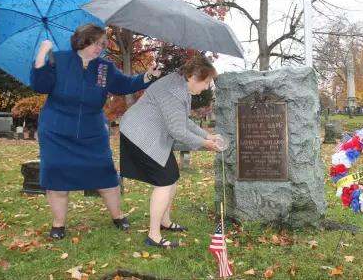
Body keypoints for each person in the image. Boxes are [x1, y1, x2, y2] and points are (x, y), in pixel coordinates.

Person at [30, 23, 161, 239]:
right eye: (96, 43)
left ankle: (118, 215)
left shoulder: (104, 67)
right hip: (56, 130)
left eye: (102, 44)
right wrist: (42, 54)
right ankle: (58, 224)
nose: (99, 48)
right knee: (56, 175)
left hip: (92, 131)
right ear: (83, 41)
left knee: (105, 173)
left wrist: (147, 77)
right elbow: (40, 85)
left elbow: (124, 85)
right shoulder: (58, 59)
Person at [119, 55, 222, 248]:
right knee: (165, 181)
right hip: (138, 135)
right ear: (195, 76)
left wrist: (207, 136)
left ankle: (164, 221)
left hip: (147, 134)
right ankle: (153, 236)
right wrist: (204, 143)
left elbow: (184, 121)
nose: (208, 87)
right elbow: (177, 130)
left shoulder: (180, 85)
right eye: (207, 81)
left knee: (171, 176)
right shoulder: (175, 91)